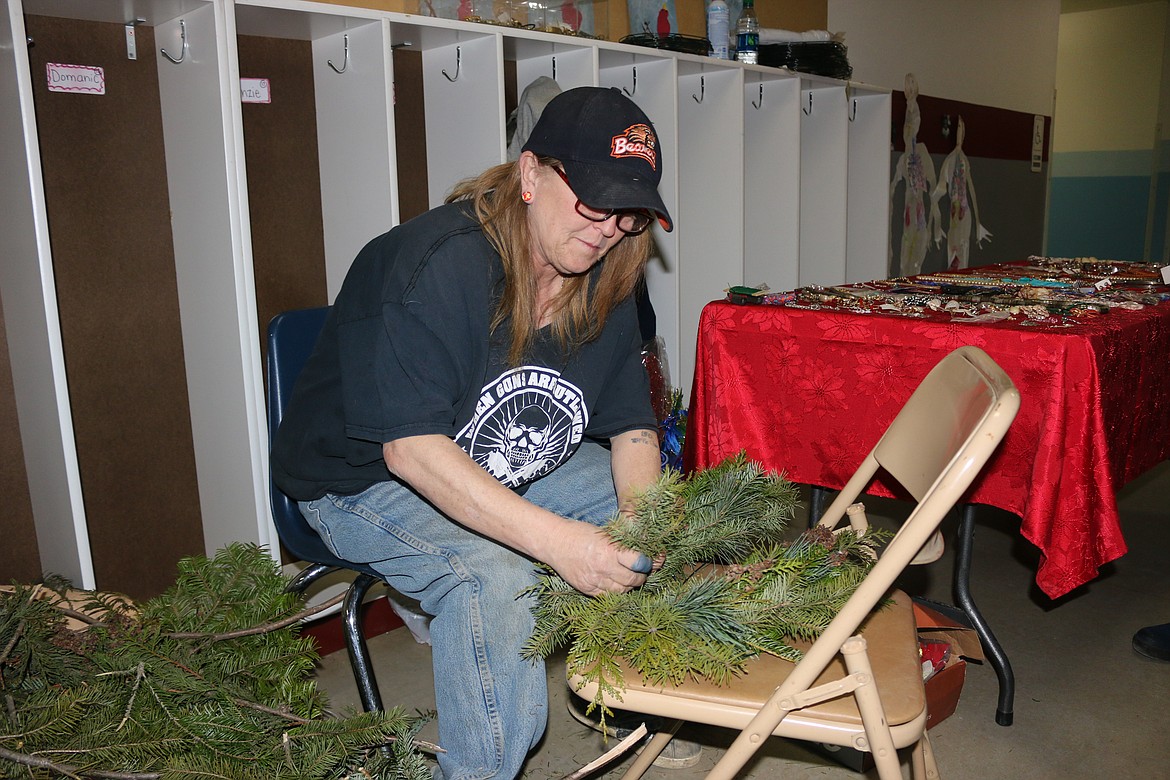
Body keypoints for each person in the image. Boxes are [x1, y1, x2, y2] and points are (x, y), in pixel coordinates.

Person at [271, 86, 672, 780]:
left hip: (495, 451)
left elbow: (632, 426)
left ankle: (633, 697)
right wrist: (561, 545)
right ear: (530, 175)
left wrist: (642, 524)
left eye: (631, 211)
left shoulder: (611, 272)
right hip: (361, 477)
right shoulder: (433, 263)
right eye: (593, 200)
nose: (609, 227)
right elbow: (412, 452)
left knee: (660, 521)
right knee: (495, 577)